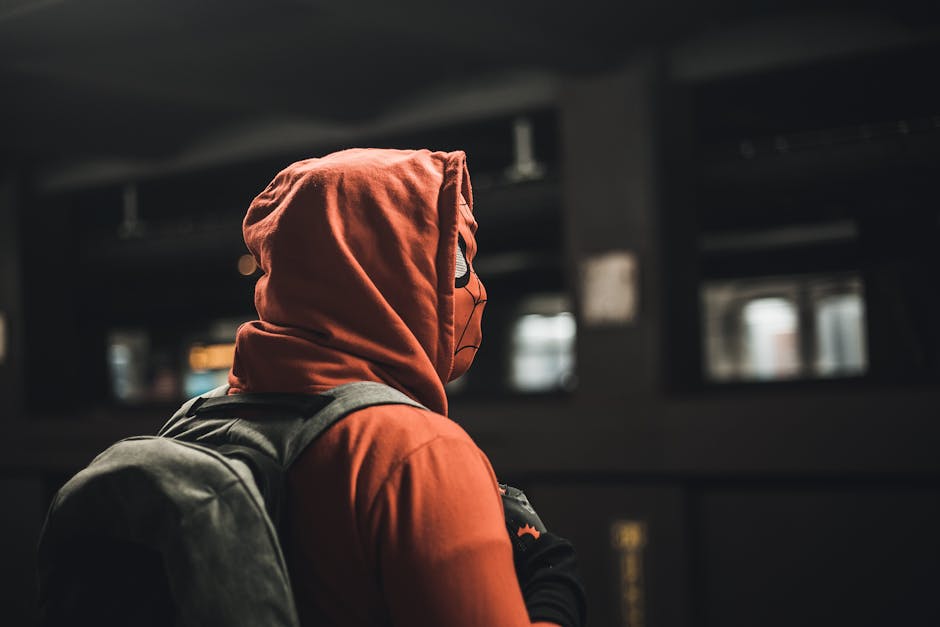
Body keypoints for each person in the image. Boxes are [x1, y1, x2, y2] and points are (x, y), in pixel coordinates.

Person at [227, 148, 586, 627]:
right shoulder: (414, 453)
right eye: (456, 265)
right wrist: (552, 582)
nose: (476, 289)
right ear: (390, 270)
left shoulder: (206, 420)